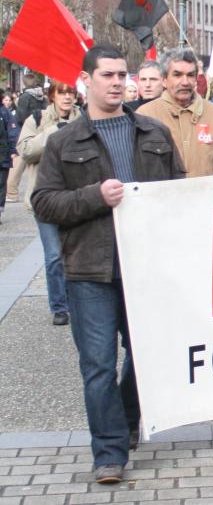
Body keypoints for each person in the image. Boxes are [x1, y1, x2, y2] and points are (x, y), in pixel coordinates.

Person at [31, 44, 186, 484]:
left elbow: (178, 190)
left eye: (122, 75)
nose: (117, 82)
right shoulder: (63, 142)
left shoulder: (154, 132)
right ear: (86, 81)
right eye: (107, 75)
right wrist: (94, 197)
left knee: (146, 357)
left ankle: (125, 418)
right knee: (98, 365)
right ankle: (109, 453)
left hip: (145, 268)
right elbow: (44, 203)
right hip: (90, 272)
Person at [17, 80, 82, 324]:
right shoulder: (37, 119)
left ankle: (77, 302)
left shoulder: (84, 119)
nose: (67, 97)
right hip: (45, 197)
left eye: (71, 92)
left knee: (75, 254)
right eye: (61, 92)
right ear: (52, 95)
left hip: (75, 197)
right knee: (54, 255)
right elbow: (25, 151)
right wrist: (54, 131)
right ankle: (60, 307)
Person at [137, 48, 213, 178]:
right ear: (164, 80)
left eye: (190, 75)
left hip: (206, 191)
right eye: (177, 75)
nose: (185, 82)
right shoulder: (144, 115)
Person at [9, 73, 46, 202]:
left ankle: (11, 192)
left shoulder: (25, 97)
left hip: (26, 129)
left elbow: (20, 116)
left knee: (19, 161)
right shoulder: (42, 96)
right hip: (40, 129)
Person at [0, 92, 15, 223]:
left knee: (1, 183)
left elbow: (12, 131)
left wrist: (13, 149)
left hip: (3, 153)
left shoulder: (4, 112)